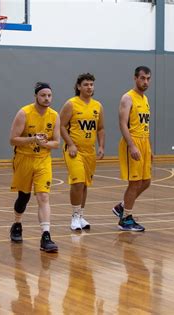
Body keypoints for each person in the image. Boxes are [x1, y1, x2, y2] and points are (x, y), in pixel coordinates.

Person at [9, 82, 60, 252]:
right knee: (23, 197)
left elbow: (56, 142)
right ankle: (17, 224)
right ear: (36, 96)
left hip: (43, 160)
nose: (47, 99)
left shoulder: (54, 116)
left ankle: (46, 236)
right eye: (43, 95)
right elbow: (13, 139)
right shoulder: (24, 113)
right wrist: (32, 140)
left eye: (49, 96)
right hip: (24, 158)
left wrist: (45, 143)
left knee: (43, 197)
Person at [60, 73, 105, 230]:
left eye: (91, 84)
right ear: (79, 86)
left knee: (85, 185)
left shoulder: (97, 106)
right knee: (77, 182)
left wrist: (101, 146)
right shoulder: (71, 104)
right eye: (86, 84)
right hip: (74, 150)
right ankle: (74, 216)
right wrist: (71, 144)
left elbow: (100, 128)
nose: (89, 87)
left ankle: (81, 216)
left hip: (89, 151)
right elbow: (61, 126)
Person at [112, 66, 152, 232]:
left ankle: (122, 207)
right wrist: (132, 145)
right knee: (134, 182)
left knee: (146, 181)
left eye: (148, 79)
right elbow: (122, 123)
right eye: (142, 78)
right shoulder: (127, 98)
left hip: (144, 142)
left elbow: (144, 124)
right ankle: (126, 219)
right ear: (135, 78)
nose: (145, 82)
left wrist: (148, 147)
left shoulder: (145, 99)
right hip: (132, 142)